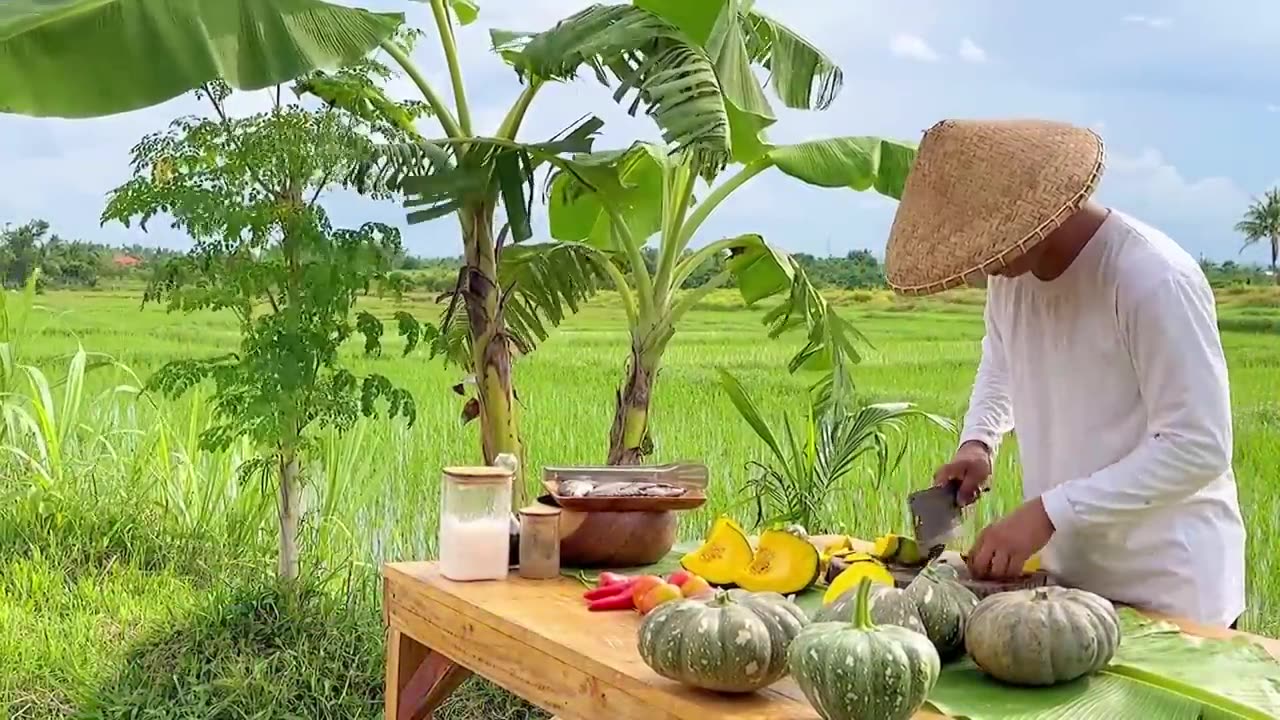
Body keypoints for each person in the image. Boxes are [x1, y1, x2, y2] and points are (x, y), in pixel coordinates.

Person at [882, 118, 1247, 629]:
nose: (985, 265)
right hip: (1069, 586)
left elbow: (1197, 445)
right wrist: (979, 443)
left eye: (992, 245)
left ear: (1039, 211)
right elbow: (1002, 361)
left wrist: (1048, 513)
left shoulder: (1152, 278)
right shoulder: (1011, 276)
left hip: (1172, 592)